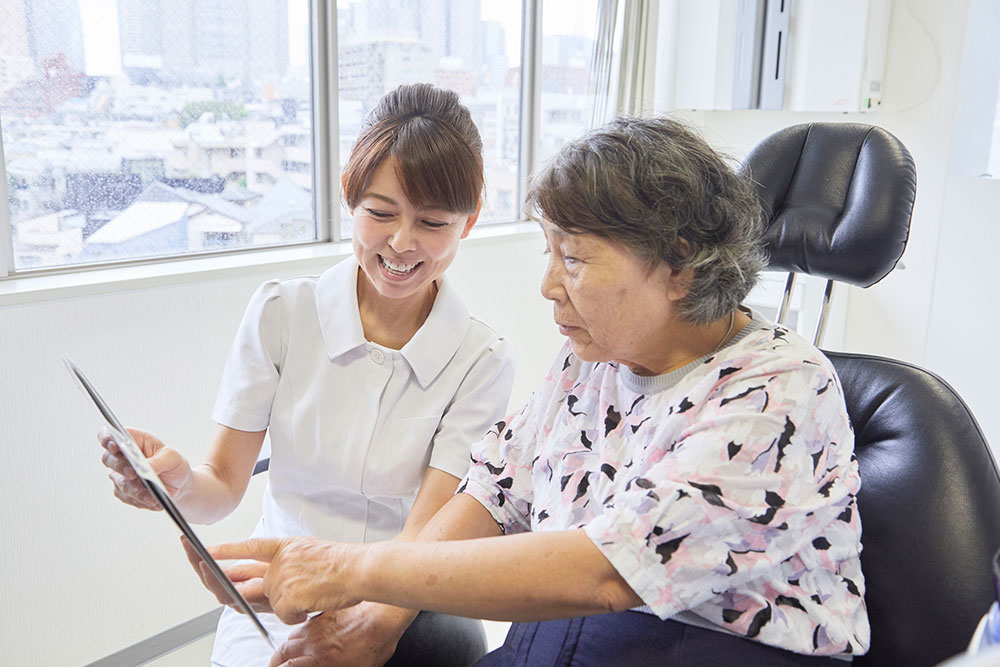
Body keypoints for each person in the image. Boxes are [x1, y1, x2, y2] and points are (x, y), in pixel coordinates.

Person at [204, 115, 870, 666]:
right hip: (559, 641)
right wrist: (376, 618)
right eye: (548, 253)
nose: (550, 285)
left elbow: (610, 572)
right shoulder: (594, 358)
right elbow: (497, 488)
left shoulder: (778, 391)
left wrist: (355, 571)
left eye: (573, 258)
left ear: (680, 268)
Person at [99, 83, 515, 667]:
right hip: (280, 586)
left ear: (467, 224)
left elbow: (424, 538)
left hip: (403, 595)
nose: (401, 242)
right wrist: (171, 486)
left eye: (432, 222)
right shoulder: (282, 314)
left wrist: (375, 622)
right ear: (350, 197)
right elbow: (220, 486)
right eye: (380, 212)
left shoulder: (481, 358)